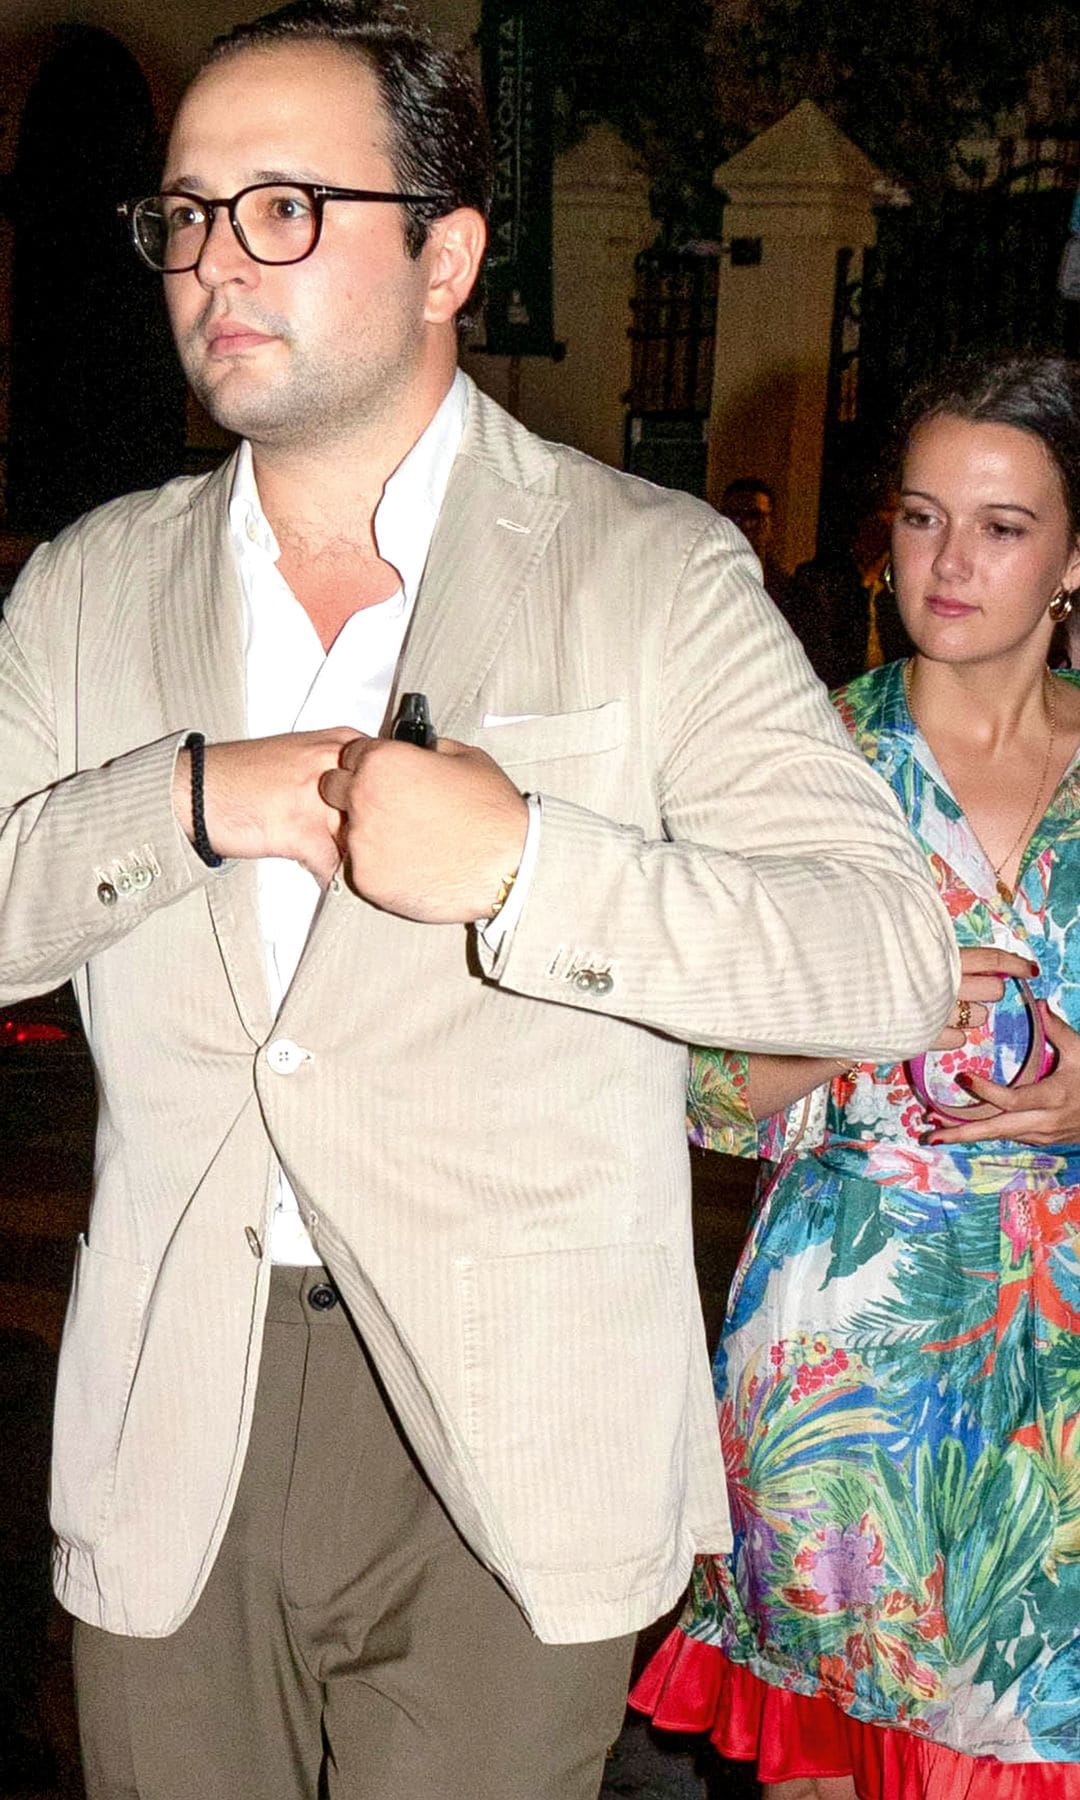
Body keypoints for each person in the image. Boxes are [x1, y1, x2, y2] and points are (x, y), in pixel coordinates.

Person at [0, 5, 958, 1797]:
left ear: (447, 256)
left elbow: (880, 954)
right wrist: (187, 802)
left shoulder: (649, 571)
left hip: (511, 1440)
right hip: (172, 1410)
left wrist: (530, 866)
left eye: (285, 207)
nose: (215, 260)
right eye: (187, 213)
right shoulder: (85, 588)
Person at [632, 352, 1080, 1798]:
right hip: (843, 1344)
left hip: (1063, 1368)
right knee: (834, 1751)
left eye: (1003, 527)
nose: (949, 562)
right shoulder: (795, 764)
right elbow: (687, 1085)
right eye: (921, 516)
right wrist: (868, 1011)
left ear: (1074, 558)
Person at [783, 498, 912, 689]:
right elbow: (823, 659)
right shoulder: (819, 579)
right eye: (888, 509)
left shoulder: (900, 586)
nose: (895, 521)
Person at [720, 477, 793, 606]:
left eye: (754, 516)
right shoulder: (710, 577)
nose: (745, 524)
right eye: (735, 515)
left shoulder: (787, 591)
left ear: (771, 523)